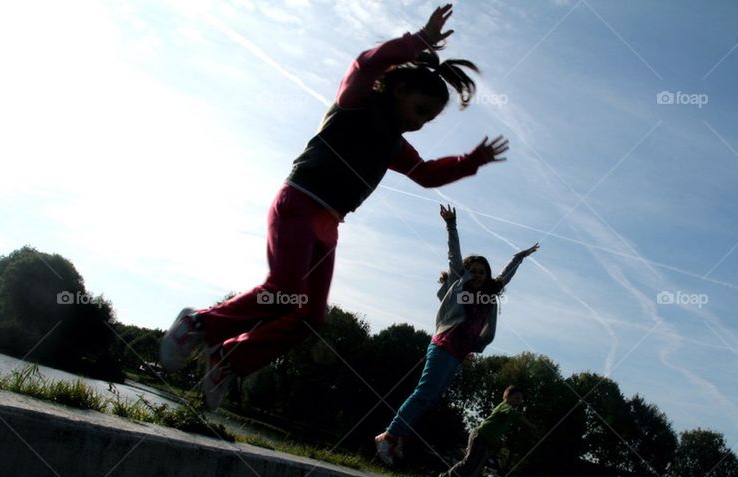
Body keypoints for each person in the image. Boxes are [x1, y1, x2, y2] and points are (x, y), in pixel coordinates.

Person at [159, 4, 509, 408]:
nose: (420, 123)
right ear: (397, 90)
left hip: (328, 225)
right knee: (284, 291)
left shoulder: (394, 145)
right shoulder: (356, 102)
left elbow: (427, 174)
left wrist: (470, 162)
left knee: (309, 315)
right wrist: (419, 41)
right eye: (419, 110)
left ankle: (228, 360)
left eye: (428, 120)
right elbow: (366, 62)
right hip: (299, 201)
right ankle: (197, 326)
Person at [374, 205, 539, 464]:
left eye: (481, 273)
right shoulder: (459, 285)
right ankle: (389, 436)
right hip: (443, 345)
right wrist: (451, 225)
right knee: (423, 394)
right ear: (466, 273)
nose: (476, 275)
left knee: (429, 399)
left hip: (459, 352)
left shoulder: (488, 293)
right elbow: (454, 255)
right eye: (472, 271)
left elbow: (505, 275)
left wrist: (520, 257)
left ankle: (397, 437)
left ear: (486, 277)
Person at [437, 385, 535, 477]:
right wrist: (530, 425)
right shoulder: (505, 406)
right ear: (506, 396)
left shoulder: (509, 412)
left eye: (520, 400)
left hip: (485, 440)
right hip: (479, 435)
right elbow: (516, 415)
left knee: (472, 467)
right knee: (469, 462)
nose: (518, 402)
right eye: (516, 398)